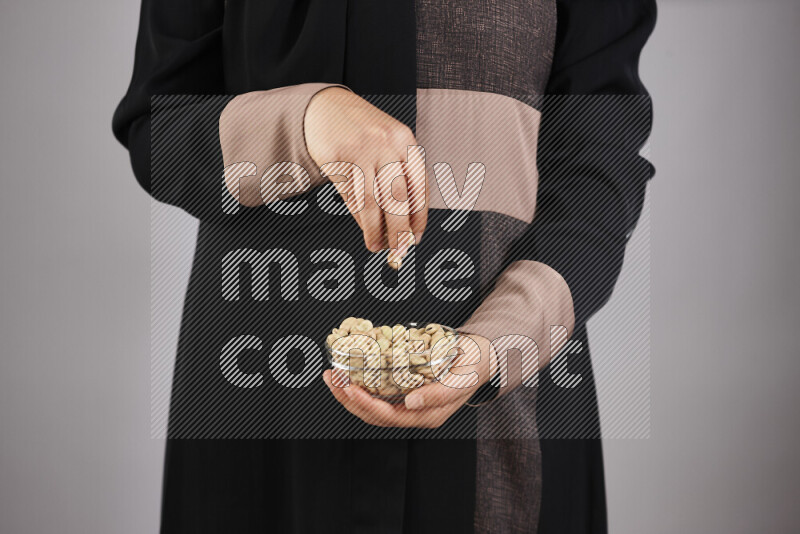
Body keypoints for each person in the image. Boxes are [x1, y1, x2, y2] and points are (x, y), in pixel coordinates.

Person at [113, 1, 656, 532]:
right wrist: (307, 119)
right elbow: (159, 128)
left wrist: (498, 343)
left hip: (502, 400)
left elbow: (598, 166)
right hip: (265, 402)